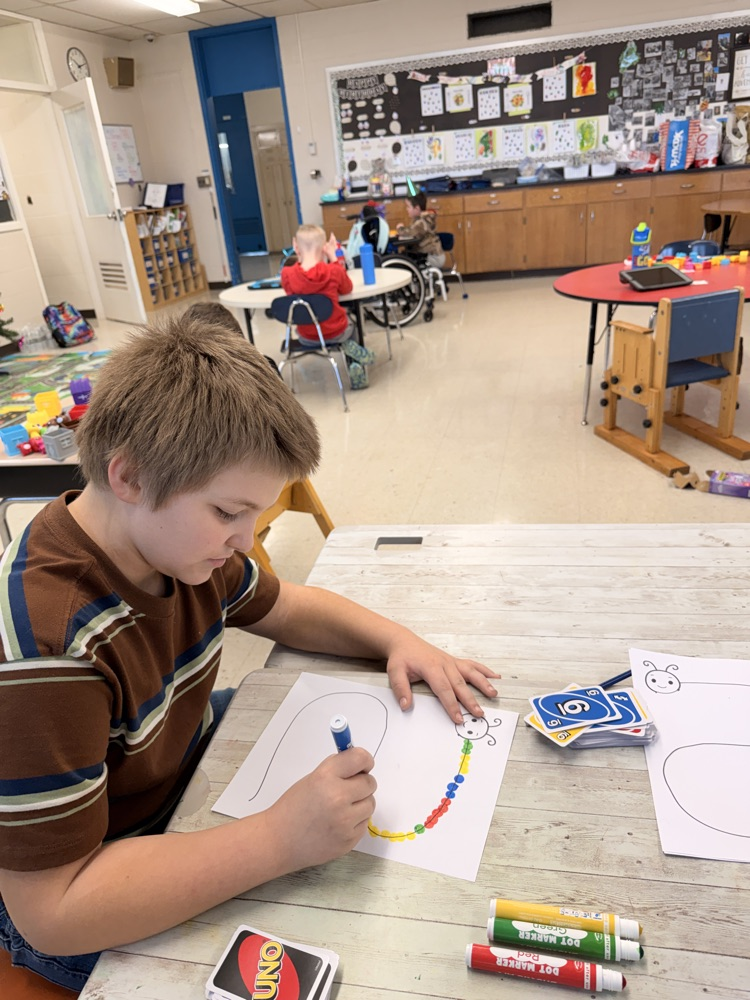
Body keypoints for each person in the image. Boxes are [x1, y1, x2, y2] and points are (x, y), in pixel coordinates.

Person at [0, 317, 499, 992]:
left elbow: (287, 606)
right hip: (93, 883)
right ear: (129, 477)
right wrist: (277, 840)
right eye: (229, 513)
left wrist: (399, 641)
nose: (244, 540)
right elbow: (52, 914)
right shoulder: (48, 652)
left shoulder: (174, 544)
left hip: (176, 768)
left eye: (254, 516)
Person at [281, 223, 374, 389]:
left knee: (331, 323)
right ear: (324, 247)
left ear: (296, 245)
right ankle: (355, 363)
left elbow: (290, 293)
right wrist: (333, 258)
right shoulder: (333, 271)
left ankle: (349, 351)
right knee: (352, 322)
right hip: (337, 332)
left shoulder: (287, 274)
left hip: (306, 336)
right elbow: (347, 288)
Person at [396, 192, 446, 269]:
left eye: (408, 207)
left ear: (416, 209)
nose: (407, 209)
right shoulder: (420, 219)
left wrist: (400, 228)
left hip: (433, 257)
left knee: (405, 261)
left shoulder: (422, 221)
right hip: (430, 255)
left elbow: (410, 232)